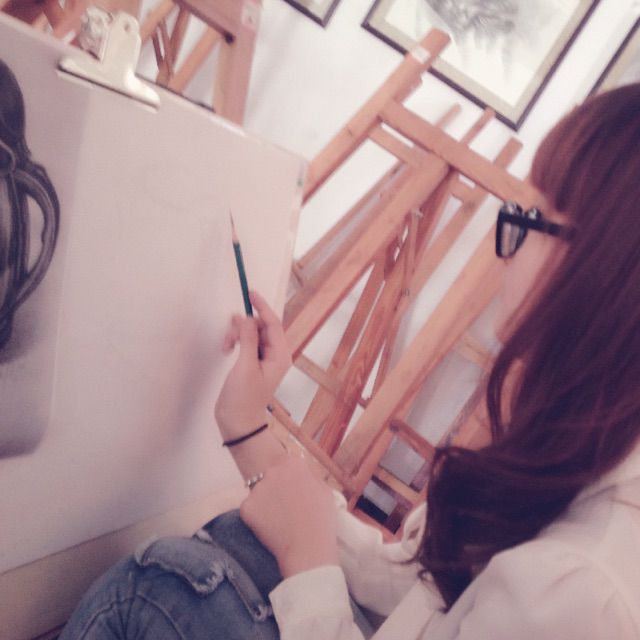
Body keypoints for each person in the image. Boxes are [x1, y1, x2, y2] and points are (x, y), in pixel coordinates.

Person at [61, 83, 640, 638]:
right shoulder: (586, 453)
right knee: (238, 535)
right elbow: (415, 587)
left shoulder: (581, 596)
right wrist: (247, 425)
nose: (506, 252)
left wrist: (307, 558)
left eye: (531, 218)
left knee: (156, 586)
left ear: (608, 271)